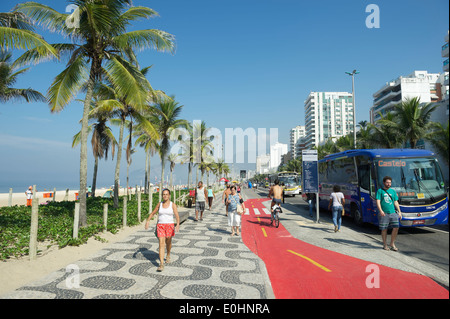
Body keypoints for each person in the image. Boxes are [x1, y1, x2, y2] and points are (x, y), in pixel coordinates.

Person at [145, 188, 180, 272]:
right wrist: (148, 221)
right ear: (162, 196)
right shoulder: (159, 204)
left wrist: (177, 224)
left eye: (166, 194)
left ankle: (168, 254)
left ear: (169, 195)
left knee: (168, 241)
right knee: (161, 243)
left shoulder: (172, 205)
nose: (165, 196)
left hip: (169, 226)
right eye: (163, 194)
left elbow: (177, 215)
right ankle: (161, 264)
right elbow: (153, 213)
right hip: (160, 226)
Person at [376, 176, 402, 251]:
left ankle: (392, 243)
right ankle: (385, 244)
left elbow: (396, 202)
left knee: (396, 227)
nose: (389, 184)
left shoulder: (393, 191)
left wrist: (399, 212)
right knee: (384, 229)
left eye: (390, 182)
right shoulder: (380, 191)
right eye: (387, 182)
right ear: (384, 183)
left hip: (393, 212)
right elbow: (378, 201)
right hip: (384, 213)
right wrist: (381, 211)